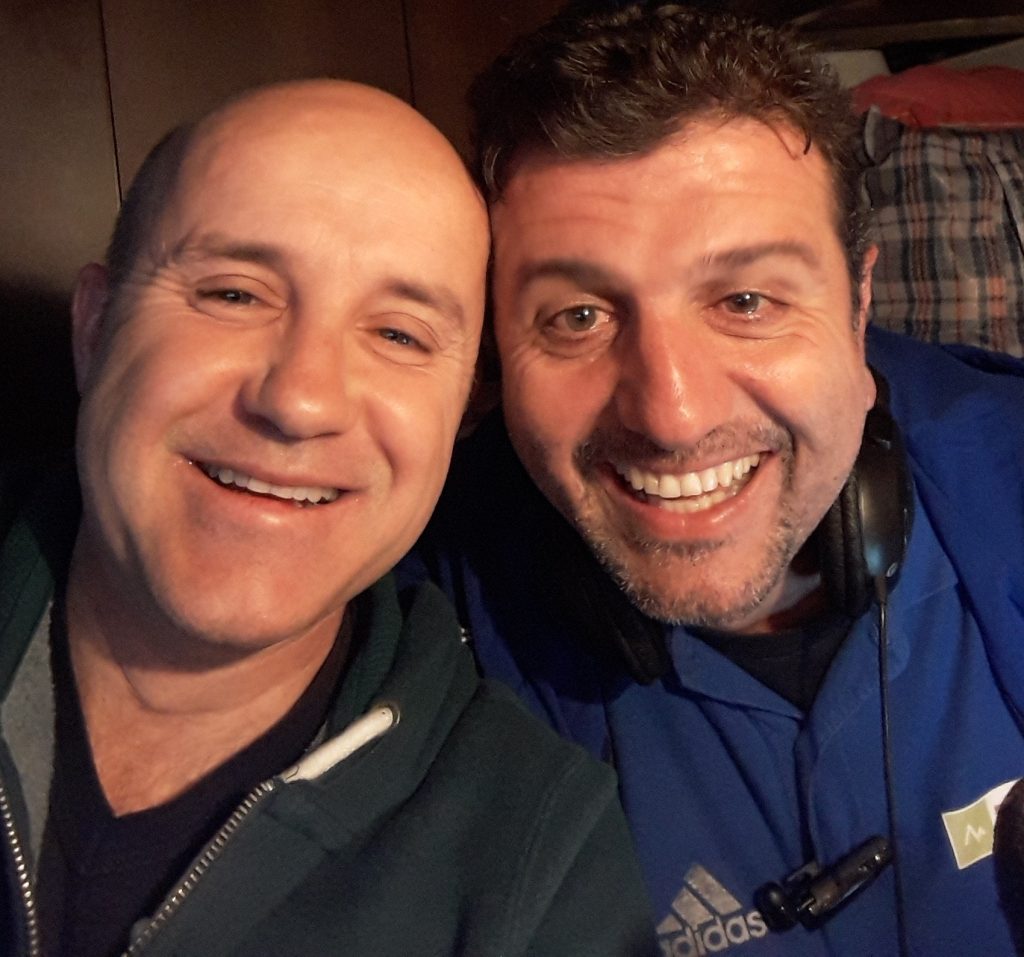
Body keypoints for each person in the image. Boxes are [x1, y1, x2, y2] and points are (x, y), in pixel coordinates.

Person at [401, 4, 1024, 954]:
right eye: (576, 317)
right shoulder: (416, 625)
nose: (673, 415)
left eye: (746, 299)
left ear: (858, 307)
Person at [0, 79, 657, 956]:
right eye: (234, 294)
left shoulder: (541, 858)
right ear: (94, 329)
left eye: (399, 335)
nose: (301, 399)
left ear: (461, 415)